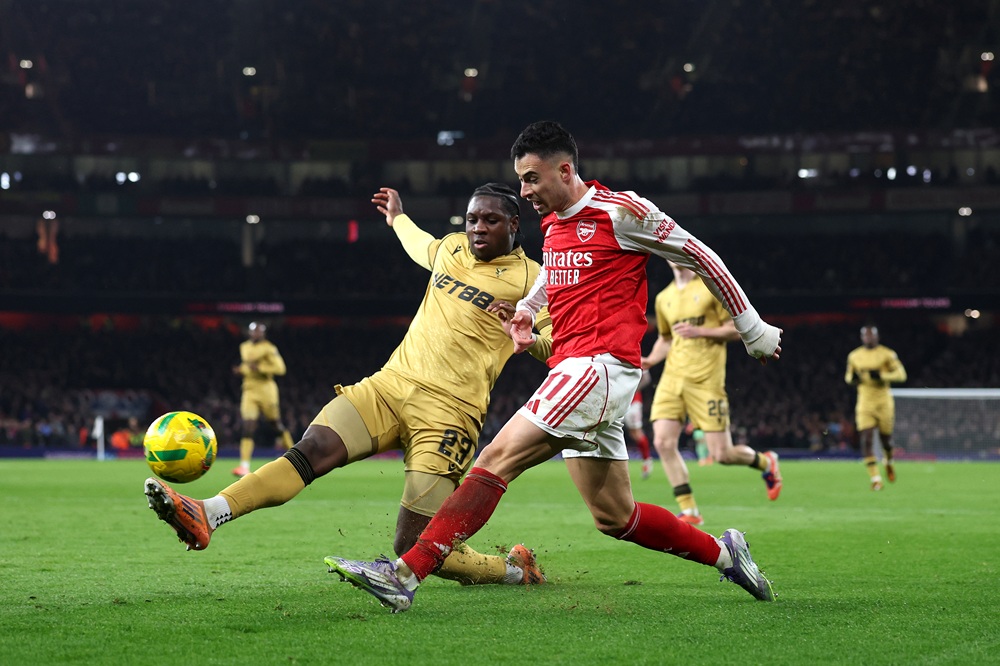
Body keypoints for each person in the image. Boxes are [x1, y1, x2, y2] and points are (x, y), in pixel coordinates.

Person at [327, 120, 783, 612]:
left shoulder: (622, 212)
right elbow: (556, 281)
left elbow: (700, 256)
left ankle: (403, 575)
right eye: (520, 179)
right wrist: (526, 310)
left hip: (597, 366)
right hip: (575, 365)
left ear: (565, 169)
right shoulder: (556, 223)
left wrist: (753, 331)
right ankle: (726, 554)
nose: (524, 191)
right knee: (616, 517)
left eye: (531, 178)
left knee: (494, 460)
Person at [144, 183, 552, 588]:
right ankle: (209, 513)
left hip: (450, 414)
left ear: (514, 224)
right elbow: (420, 244)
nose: (478, 228)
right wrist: (397, 218)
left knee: (412, 543)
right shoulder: (452, 248)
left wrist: (525, 334)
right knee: (313, 448)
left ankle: (515, 571)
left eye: (490, 220)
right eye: (472, 219)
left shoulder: (533, 280)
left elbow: (558, 346)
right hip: (389, 387)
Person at [641, 261, 782, 527]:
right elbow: (667, 339)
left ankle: (766, 462)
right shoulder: (664, 298)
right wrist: (650, 360)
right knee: (662, 442)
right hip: (672, 378)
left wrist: (700, 331)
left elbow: (737, 328)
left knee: (722, 454)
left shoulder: (711, 288)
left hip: (705, 381)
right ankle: (689, 509)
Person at [845, 324, 907, 490]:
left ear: (877, 337)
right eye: (866, 335)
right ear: (862, 337)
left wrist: (881, 375)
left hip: (884, 402)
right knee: (866, 438)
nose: (869, 338)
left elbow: (901, 375)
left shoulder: (887, 354)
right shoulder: (854, 356)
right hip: (865, 402)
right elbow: (848, 377)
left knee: (886, 440)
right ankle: (876, 479)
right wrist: (855, 378)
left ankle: (888, 460)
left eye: (871, 335)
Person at [231, 321, 295, 478]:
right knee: (248, 425)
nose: (256, 334)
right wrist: (241, 370)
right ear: (250, 332)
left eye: (259, 331)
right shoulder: (244, 347)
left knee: (275, 424)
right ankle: (244, 466)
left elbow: (281, 369)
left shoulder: (269, 348)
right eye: (254, 331)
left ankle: (295, 456)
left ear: (263, 334)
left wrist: (260, 368)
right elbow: (247, 366)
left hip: (266, 390)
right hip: (249, 390)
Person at [625, 370, 655, 479]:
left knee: (635, 432)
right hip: (616, 400)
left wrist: (632, 389)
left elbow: (646, 378)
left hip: (633, 403)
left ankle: (647, 460)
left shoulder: (637, 356)